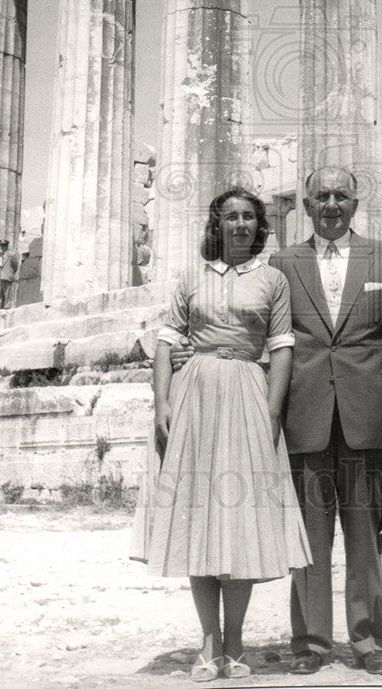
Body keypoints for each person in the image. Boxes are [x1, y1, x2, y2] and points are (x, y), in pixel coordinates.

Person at [130, 187, 311, 682]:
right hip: (195, 398)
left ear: (260, 225)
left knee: (239, 523)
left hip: (249, 394)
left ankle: (236, 643)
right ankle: (208, 643)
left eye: (249, 217)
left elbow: (282, 348)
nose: (240, 225)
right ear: (217, 225)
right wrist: (162, 403)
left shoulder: (273, 280)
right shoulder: (191, 276)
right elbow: (168, 342)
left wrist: (271, 415)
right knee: (197, 519)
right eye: (230, 217)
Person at [268, 166, 382, 676]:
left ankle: (370, 642)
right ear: (305, 205)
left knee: (366, 537)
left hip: (367, 416)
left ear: (355, 202)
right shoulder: (282, 263)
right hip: (305, 415)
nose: (330, 204)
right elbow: (270, 343)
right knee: (309, 538)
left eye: (340, 196)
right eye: (321, 196)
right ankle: (310, 643)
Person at [0, 239, 19, 309]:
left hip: (7, 275)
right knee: (1, 292)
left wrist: (12, 273)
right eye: (1, 246)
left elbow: (15, 264)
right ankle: (1, 306)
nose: (3, 247)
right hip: (0, 274)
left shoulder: (11, 254)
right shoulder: (0, 254)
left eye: (4, 245)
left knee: (7, 292)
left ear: (7, 246)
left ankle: (7, 306)